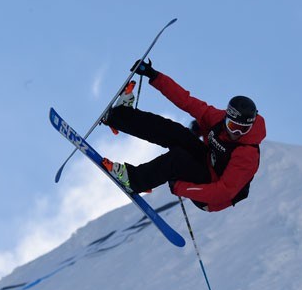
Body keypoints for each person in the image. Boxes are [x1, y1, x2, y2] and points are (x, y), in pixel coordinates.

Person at [101, 60, 266, 212]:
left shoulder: (247, 155)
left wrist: (180, 187)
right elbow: (187, 101)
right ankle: (120, 116)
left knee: (178, 159)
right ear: (226, 118)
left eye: (242, 130)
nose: (235, 133)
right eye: (232, 126)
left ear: (250, 127)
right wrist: (154, 75)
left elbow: (222, 193)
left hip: (211, 197)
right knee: (175, 132)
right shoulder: (218, 119)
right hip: (207, 163)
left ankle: (133, 180)